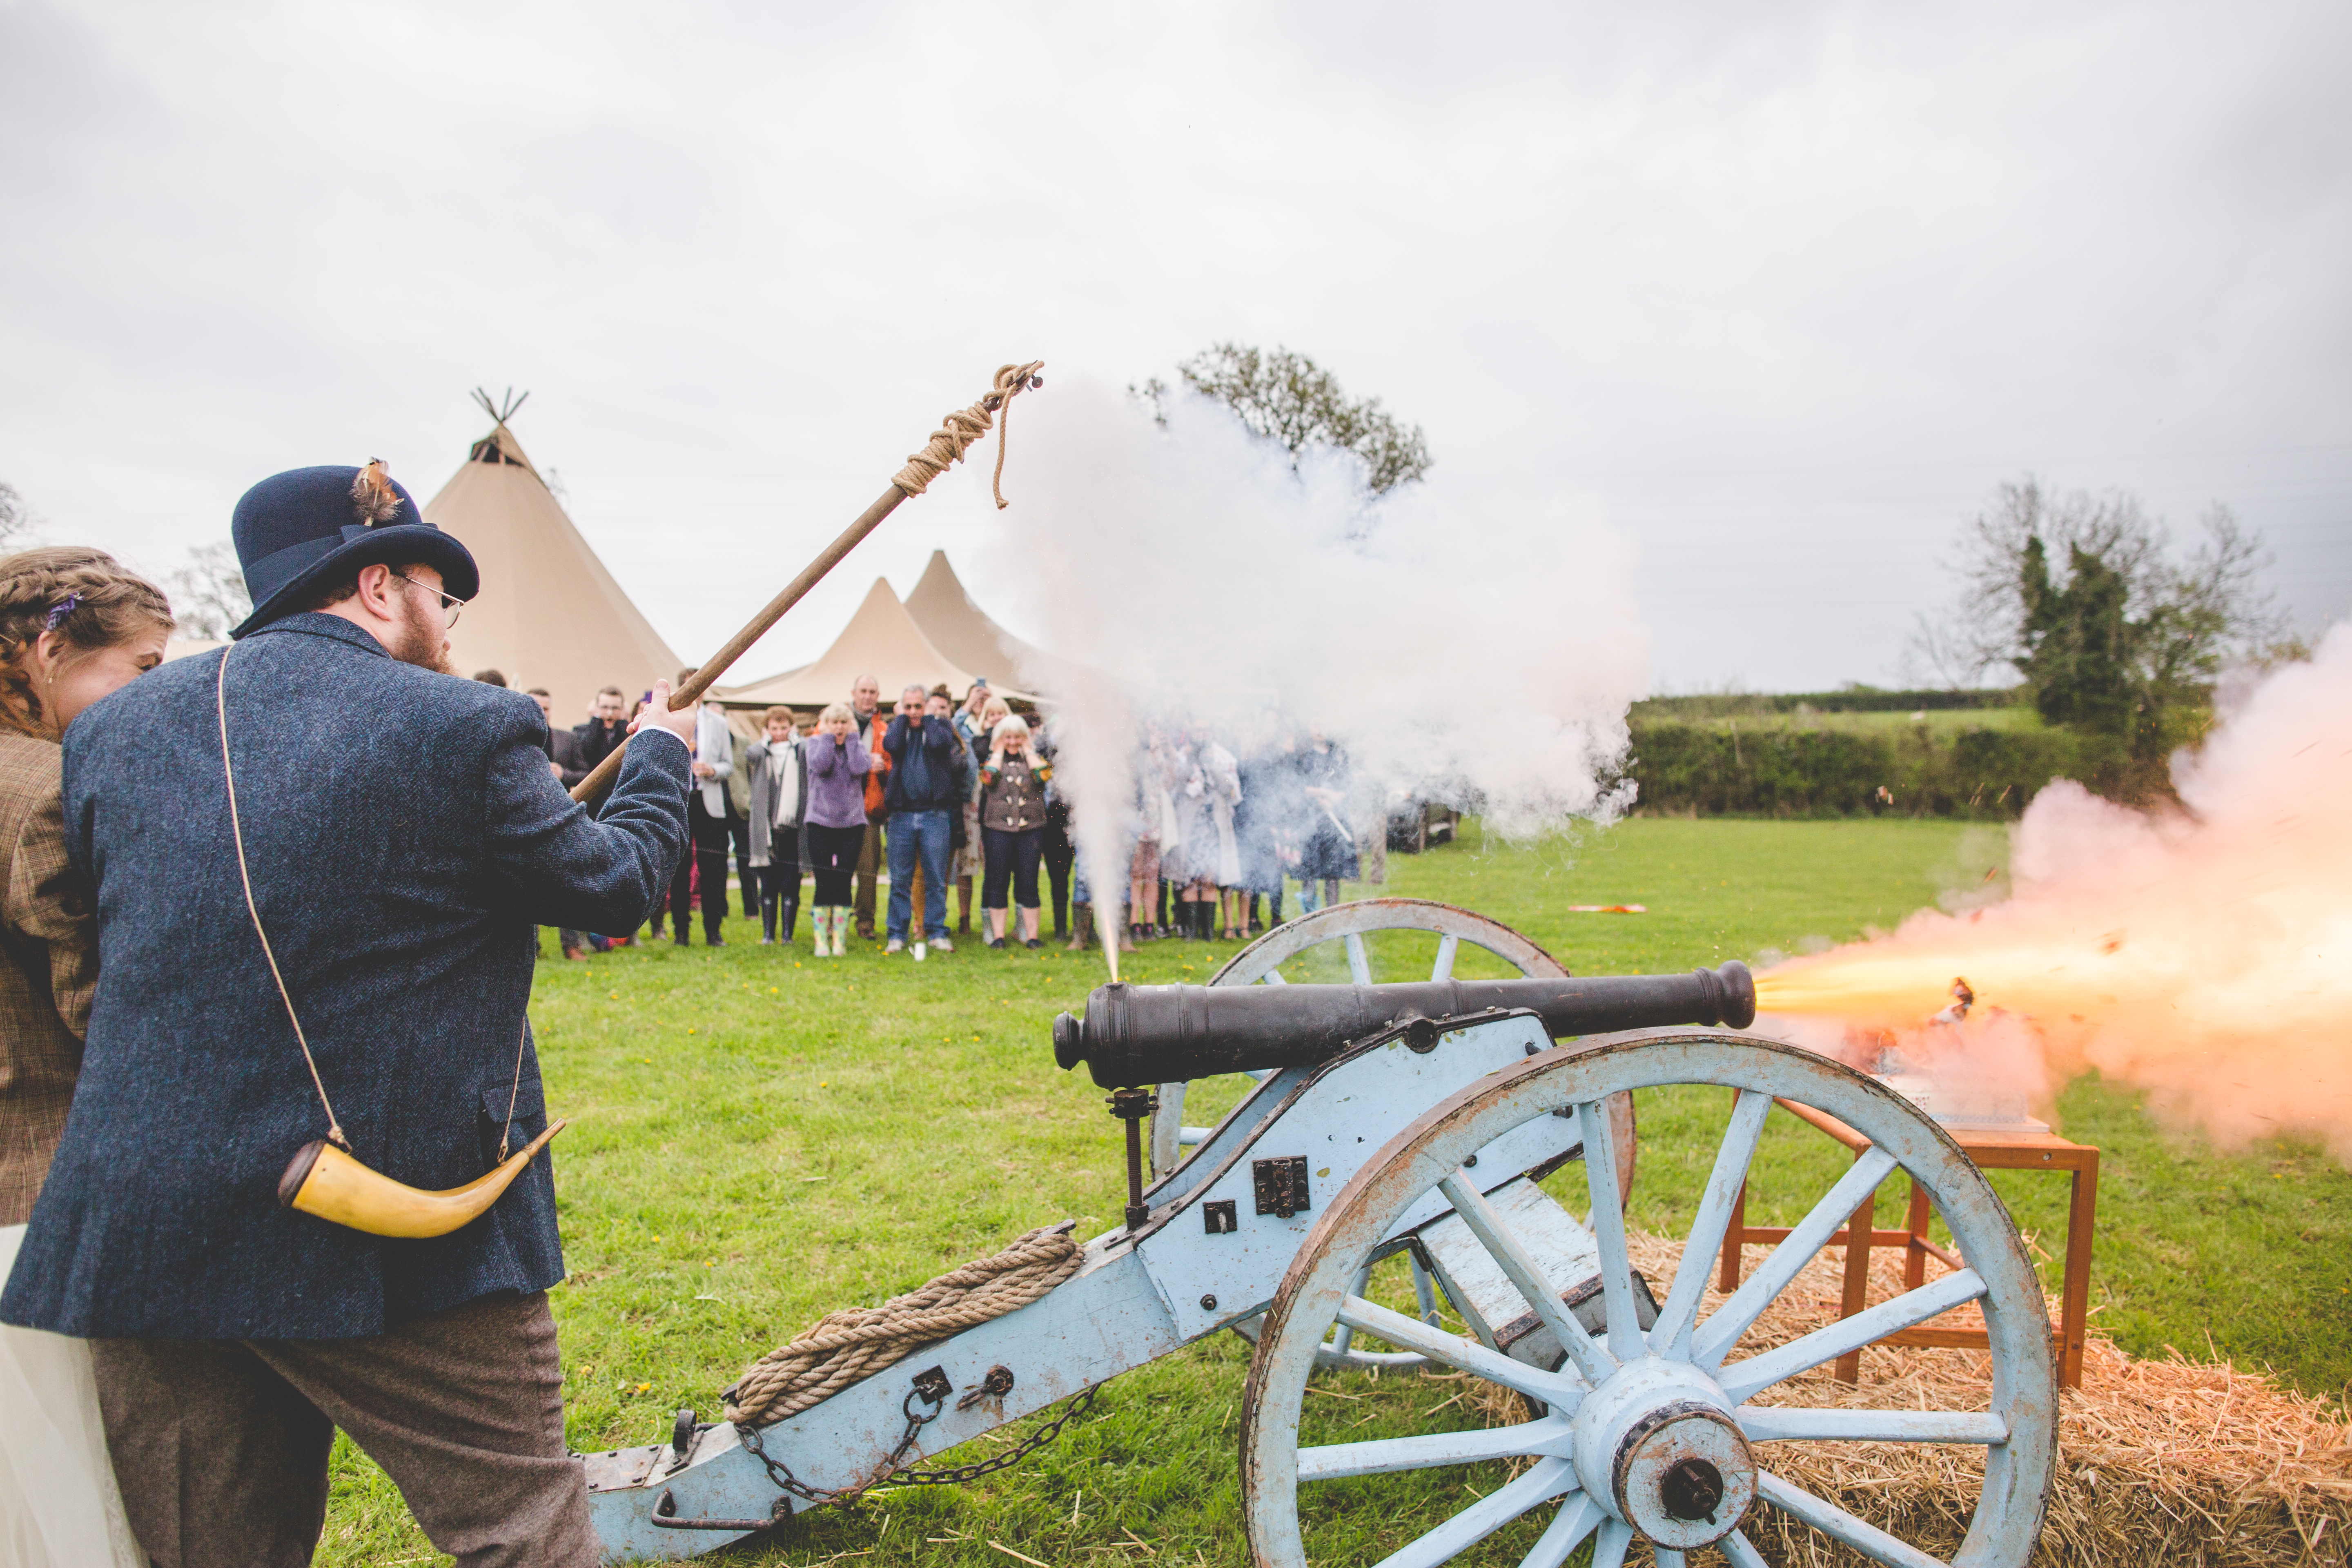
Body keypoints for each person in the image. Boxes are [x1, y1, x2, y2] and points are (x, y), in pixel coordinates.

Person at [0, 460, 695, 1568]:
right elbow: (611, 887)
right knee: (522, 1534)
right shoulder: (467, 727)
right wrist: (664, 755)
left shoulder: (112, 736)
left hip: (149, 1214)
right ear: (380, 586)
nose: (448, 622)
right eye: (438, 591)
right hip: (383, 1207)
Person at [0, 548, 174, 1568]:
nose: (156, 694)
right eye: (144, 668)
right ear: (51, 649)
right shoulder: (51, 793)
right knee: (87, 1498)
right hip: (49, 1193)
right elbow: (110, 1009)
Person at [882, 684, 958, 955]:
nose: (913, 712)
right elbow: (890, 746)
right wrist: (901, 718)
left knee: (936, 878)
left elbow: (940, 745)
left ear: (926, 706)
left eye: (918, 706)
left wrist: (927, 717)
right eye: (909, 706)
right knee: (900, 879)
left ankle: (937, 932)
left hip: (934, 815)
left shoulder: (940, 727)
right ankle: (897, 934)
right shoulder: (898, 728)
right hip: (902, 815)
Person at [666, 666, 735, 947]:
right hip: (680, 801)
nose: (695, 690)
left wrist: (713, 770)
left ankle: (713, 930)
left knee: (713, 870)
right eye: (688, 685)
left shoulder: (718, 723)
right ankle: (681, 931)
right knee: (679, 870)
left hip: (709, 803)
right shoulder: (669, 720)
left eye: (699, 685)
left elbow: (729, 766)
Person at [801, 701, 871, 957]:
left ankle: (839, 940)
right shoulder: (815, 744)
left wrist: (852, 741)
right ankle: (822, 941)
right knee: (824, 881)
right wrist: (829, 740)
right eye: (835, 722)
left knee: (843, 881)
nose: (839, 727)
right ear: (825, 725)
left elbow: (859, 768)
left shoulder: (858, 746)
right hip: (820, 821)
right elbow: (821, 766)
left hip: (852, 823)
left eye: (844, 722)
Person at [977, 714, 1051, 949]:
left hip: (1031, 829)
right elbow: (988, 779)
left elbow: (1043, 777)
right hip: (998, 829)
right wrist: (998, 751)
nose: (1012, 742)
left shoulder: (1035, 760)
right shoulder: (991, 761)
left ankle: (1031, 936)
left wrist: (1028, 750)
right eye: (1007, 737)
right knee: (998, 881)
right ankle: (998, 936)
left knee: (1029, 882)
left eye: (1017, 737)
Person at [742, 706, 806, 945]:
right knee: (768, 882)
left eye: (784, 728)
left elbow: (808, 750)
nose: (779, 733)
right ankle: (768, 934)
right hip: (766, 829)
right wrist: (765, 740)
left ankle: (788, 935)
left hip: (792, 827)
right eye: (774, 728)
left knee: (791, 882)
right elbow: (750, 754)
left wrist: (796, 738)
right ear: (767, 729)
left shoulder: (799, 750)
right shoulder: (762, 752)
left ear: (791, 727)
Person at [1294, 728, 1359, 913]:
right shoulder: (1303, 757)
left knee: (1333, 872)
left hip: (1334, 819)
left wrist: (1335, 799)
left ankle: (1332, 916)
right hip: (1310, 819)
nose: (1320, 731)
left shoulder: (1339, 757)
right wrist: (1321, 795)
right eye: (1316, 726)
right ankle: (1309, 916)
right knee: (1310, 871)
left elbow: (1347, 784)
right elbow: (1298, 785)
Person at [949, 680, 993, 934]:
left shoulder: (998, 725)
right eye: (977, 697)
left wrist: (993, 707)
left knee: (995, 863)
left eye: (985, 697)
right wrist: (967, 706)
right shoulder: (963, 725)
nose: (981, 701)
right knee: (966, 863)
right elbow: (949, 729)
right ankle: (964, 918)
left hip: (996, 801)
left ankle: (992, 917)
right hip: (969, 799)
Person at [849, 674, 889, 941]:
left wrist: (885, 767)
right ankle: (834, 918)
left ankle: (865, 921)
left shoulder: (883, 728)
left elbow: (892, 761)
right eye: (863, 691)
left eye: (872, 692)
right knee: (837, 868)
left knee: (868, 869)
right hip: (839, 807)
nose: (867, 696)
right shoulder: (838, 721)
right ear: (853, 693)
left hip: (870, 807)